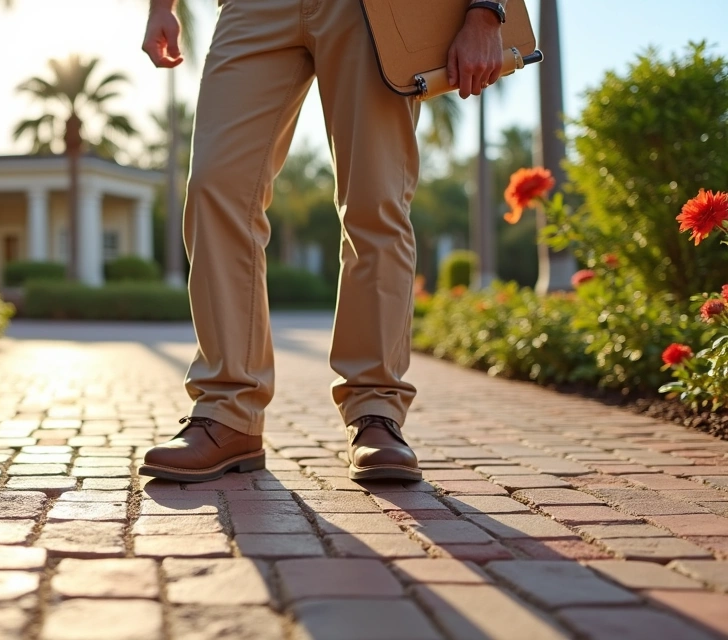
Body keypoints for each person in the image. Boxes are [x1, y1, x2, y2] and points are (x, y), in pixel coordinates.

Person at [137, 0, 506, 483]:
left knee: (376, 200)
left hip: (370, 9)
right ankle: (228, 412)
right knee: (215, 188)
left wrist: (485, 12)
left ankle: (376, 410)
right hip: (252, 8)